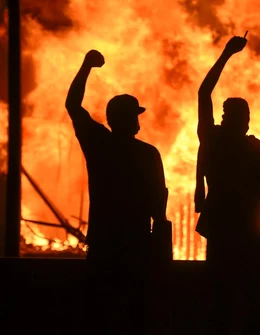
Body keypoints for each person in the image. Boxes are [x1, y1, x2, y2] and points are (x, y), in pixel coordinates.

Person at [65, 50, 168, 334]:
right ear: (126, 119)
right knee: (137, 315)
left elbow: (73, 104)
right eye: (135, 115)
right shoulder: (148, 154)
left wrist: (86, 66)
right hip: (136, 245)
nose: (138, 120)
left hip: (104, 242)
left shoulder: (98, 143)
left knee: (101, 313)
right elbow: (158, 202)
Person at [195, 35, 260, 335]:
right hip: (244, 233)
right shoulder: (234, 144)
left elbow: (203, 94)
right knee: (243, 304)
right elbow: (204, 94)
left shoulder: (223, 142)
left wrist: (227, 54)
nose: (245, 121)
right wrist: (225, 54)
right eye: (242, 116)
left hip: (230, 233)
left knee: (223, 303)